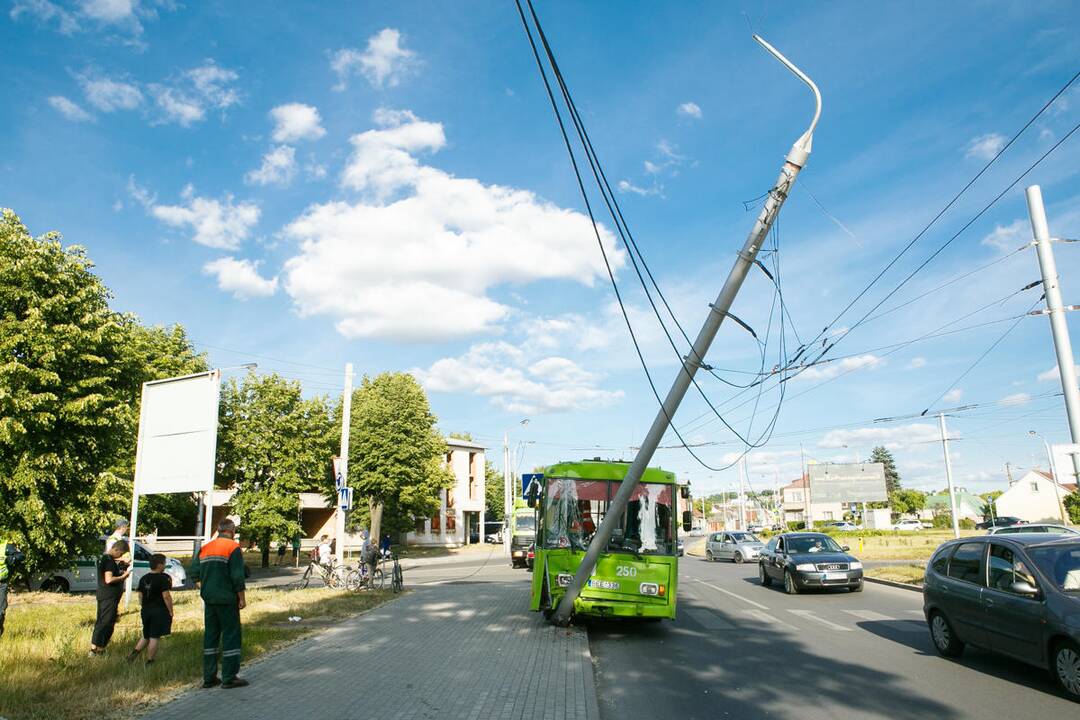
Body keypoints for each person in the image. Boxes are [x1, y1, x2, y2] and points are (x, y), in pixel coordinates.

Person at [190, 519, 248, 689]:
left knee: (211, 636)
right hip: (227, 598)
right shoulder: (233, 547)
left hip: (209, 598)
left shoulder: (206, 548)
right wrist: (242, 598)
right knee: (231, 635)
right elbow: (237, 576)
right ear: (232, 531)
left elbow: (194, 573)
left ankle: (209, 677)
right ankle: (229, 677)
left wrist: (205, 588)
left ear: (218, 529)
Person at [127, 553, 173, 665]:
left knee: (146, 634)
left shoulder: (144, 578)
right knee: (154, 637)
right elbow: (166, 596)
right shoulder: (163, 579)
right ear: (159, 565)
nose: (164, 565)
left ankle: (132, 656)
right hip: (159, 611)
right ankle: (150, 661)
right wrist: (170, 610)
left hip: (146, 610)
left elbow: (140, 596)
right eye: (164, 563)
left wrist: (144, 607)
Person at [90, 539, 131, 656]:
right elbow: (109, 579)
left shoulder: (107, 558)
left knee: (102, 621)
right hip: (108, 596)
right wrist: (123, 577)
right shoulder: (109, 562)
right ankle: (98, 649)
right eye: (121, 553)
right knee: (106, 622)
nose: (121, 556)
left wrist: (122, 563)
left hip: (105, 595)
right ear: (117, 549)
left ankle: (95, 648)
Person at [1, 537, 26, 638]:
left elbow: (21, 556)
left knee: (0, 612)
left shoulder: (5, 546)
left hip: (1, 584)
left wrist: (13, 558)